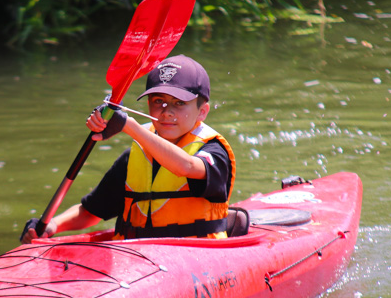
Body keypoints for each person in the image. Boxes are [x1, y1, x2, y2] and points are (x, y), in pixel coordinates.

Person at [21, 55, 236, 243]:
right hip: (139, 260)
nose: (166, 112)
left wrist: (128, 126)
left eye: (179, 103)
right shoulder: (134, 158)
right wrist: (52, 226)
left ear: (202, 111)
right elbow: (91, 211)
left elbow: (187, 166)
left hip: (195, 257)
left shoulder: (214, 151)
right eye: (158, 101)